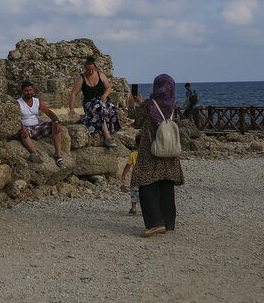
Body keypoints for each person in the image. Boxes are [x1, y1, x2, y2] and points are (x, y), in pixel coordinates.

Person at [127, 74, 184, 236]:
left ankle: (154, 223)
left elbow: (133, 116)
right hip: (169, 152)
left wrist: (132, 105)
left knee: (145, 183)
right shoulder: (172, 104)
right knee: (166, 185)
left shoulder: (150, 104)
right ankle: (167, 222)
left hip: (151, 151)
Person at [67, 56, 120, 148]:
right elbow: (73, 94)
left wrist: (104, 95)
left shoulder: (101, 75)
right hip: (90, 102)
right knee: (99, 107)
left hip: (102, 99)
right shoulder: (81, 78)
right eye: (88, 70)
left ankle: (109, 131)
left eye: (92, 69)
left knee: (110, 107)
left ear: (95, 68)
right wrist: (71, 109)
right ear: (85, 69)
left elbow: (108, 88)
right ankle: (107, 137)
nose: (90, 71)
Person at [16, 80, 67, 167]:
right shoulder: (18, 103)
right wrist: (22, 128)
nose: (29, 92)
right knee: (23, 133)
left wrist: (57, 121)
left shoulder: (37, 101)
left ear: (33, 90)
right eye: (26, 90)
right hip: (27, 128)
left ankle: (58, 155)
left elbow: (48, 112)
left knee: (55, 125)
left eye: (30, 90)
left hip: (38, 127)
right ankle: (35, 154)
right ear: (22, 92)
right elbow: (16, 118)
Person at [119, 150, 140, 215]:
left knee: (134, 191)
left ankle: (133, 208)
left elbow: (128, 166)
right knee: (146, 192)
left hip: (136, 176)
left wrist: (123, 175)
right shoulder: (147, 153)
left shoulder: (133, 154)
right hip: (146, 176)